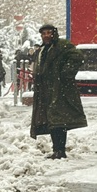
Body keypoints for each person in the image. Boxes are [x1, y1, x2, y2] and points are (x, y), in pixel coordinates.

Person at [29, 22, 86, 159]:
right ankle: (57, 150)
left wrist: (66, 73)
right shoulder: (43, 50)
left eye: (49, 33)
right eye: (43, 33)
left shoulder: (62, 45)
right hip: (46, 90)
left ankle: (60, 150)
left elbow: (78, 57)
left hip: (60, 89)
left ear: (54, 33)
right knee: (53, 121)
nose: (46, 36)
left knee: (59, 122)